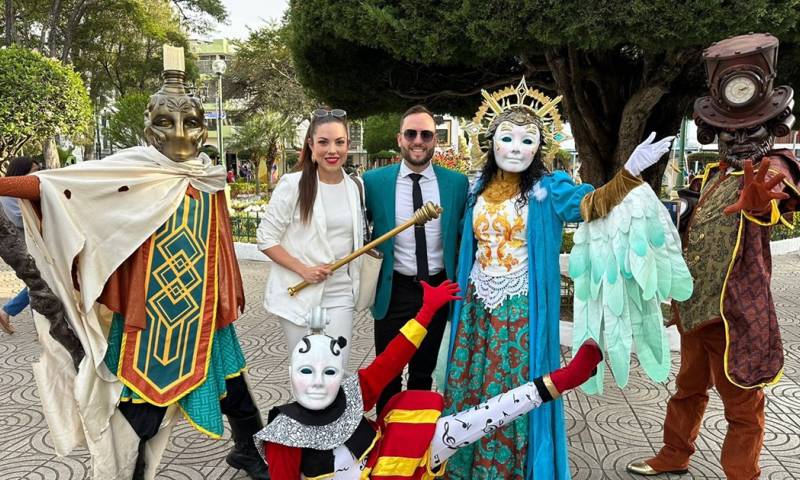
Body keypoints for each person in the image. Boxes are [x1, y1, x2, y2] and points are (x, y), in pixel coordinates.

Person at [0, 53, 267, 480]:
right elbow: (61, 187)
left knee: (235, 391)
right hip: (150, 318)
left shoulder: (210, 178)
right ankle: (129, 473)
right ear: (148, 126)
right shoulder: (129, 172)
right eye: (166, 122)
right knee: (141, 414)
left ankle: (249, 453)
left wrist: (226, 298)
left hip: (206, 315)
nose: (180, 133)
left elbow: (220, 245)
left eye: (191, 122)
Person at [443, 78, 675, 479]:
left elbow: (592, 205)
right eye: (508, 138)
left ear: (539, 148)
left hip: (522, 307)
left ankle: (508, 468)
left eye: (526, 140)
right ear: (491, 141)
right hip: (477, 306)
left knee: (514, 388)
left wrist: (630, 171)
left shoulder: (548, 190)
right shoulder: (475, 189)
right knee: (473, 381)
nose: (516, 148)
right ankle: (466, 463)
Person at [627, 33, 800, 480]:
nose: (738, 139)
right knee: (686, 391)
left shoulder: (774, 166)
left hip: (736, 316)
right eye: (729, 132)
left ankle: (742, 474)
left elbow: (776, 192)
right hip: (695, 311)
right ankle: (674, 454)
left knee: (743, 402)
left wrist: (764, 201)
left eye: (750, 130)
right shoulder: (710, 176)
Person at [254, 279, 605, 479]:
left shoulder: (351, 391)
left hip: (392, 461)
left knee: (469, 423)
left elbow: (393, 360)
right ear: (290, 375)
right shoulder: (283, 433)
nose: (317, 382)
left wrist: (426, 310)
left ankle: (565, 377)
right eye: (306, 372)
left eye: (329, 371)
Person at [363, 105, 469, 414]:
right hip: (393, 289)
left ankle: (415, 444)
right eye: (411, 134)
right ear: (400, 139)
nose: (418, 141)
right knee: (388, 374)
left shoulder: (456, 184)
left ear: (436, 139)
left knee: (422, 374)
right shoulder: (374, 182)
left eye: (426, 134)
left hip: (436, 291)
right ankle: (385, 442)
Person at [258, 108, 364, 364]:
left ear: (348, 145)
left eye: (339, 142)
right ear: (310, 144)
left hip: (340, 295)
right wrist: (304, 270)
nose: (332, 150)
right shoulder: (293, 184)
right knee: (305, 371)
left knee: (336, 370)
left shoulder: (354, 186)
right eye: (323, 142)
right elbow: (266, 238)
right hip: (300, 294)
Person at [0, 156, 40, 334]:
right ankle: (41, 327)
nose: (37, 176)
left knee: (39, 281)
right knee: (39, 282)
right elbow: (18, 218)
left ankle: (6, 311)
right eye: (34, 172)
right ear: (20, 173)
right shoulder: (8, 193)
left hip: (34, 243)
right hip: (26, 245)